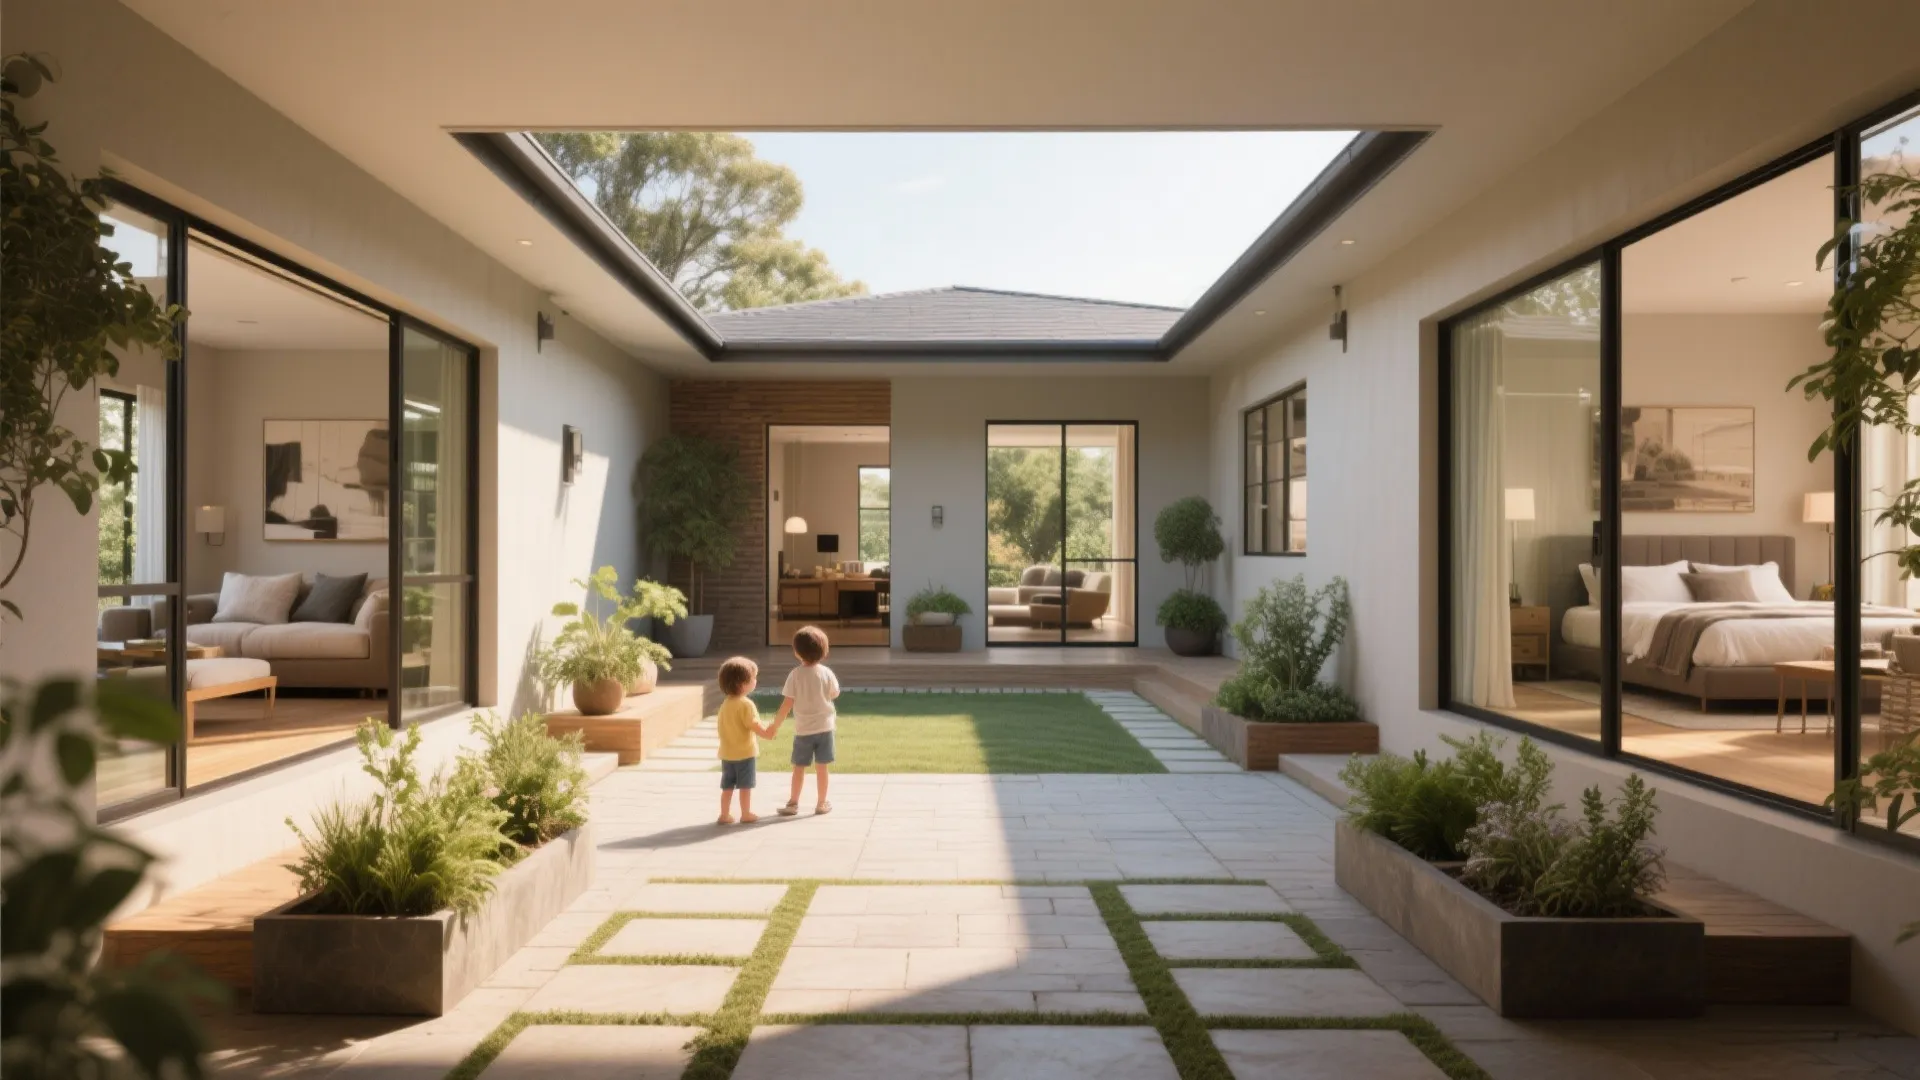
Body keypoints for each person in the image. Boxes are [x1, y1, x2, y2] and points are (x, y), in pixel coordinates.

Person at [774, 625, 839, 816]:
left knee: (799, 768)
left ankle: (793, 802)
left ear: (797, 652)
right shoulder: (826, 673)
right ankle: (821, 802)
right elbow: (834, 693)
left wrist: (775, 726)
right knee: (822, 768)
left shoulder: (795, 675)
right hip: (825, 728)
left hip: (803, 730)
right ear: (824, 651)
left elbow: (787, 703)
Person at [715, 656, 778, 825]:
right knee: (745, 786)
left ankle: (724, 814)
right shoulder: (746, 704)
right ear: (742, 683)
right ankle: (745, 813)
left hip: (727, 754)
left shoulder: (725, 705)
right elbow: (755, 725)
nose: (755, 681)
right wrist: (768, 732)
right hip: (744, 754)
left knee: (727, 786)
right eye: (753, 678)